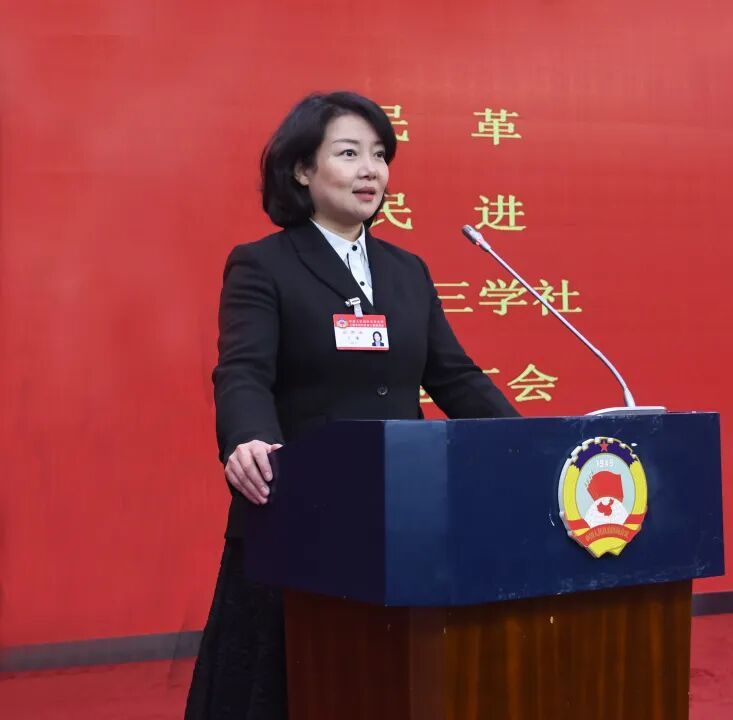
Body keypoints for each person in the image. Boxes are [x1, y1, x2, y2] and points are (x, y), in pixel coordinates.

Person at [185, 91, 518, 719]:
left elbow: (455, 377)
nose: (371, 170)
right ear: (301, 169)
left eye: (380, 155)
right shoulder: (264, 265)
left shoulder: (407, 271)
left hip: (405, 513)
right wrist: (247, 439)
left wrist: (525, 443)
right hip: (301, 513)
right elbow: (243, 371)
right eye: (348, 153)